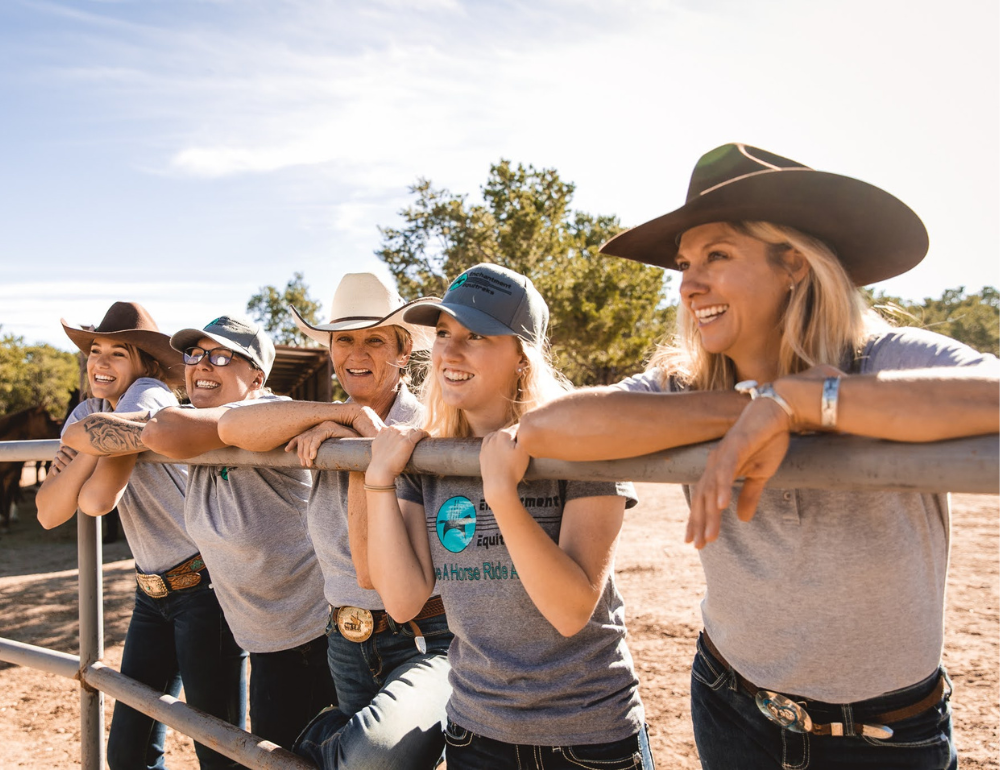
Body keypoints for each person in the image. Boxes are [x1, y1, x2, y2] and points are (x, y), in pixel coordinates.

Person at [516, 144, 1000, 770]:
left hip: (885, 734)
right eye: (685, 263)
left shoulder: (881, 358)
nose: (689, 283)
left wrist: (810, 404)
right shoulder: (684, 385)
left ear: (794, 265)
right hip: (733, 708)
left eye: (716, 255)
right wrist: (755, 408)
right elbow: (544, 429)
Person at [364, 263, 654, 770]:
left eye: (475, 335)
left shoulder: (580, 447)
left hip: (587, 737)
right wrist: (379, 482)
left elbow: (570, 611)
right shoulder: (427, 459)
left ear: (522, 356)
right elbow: (405, 599)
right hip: (478, 735)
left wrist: (502, 493)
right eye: (445, 333)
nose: (449, 353)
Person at [216, 273, 453, 769]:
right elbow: (231, 424)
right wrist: (341, 418)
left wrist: (360, 443)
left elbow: (372, 570)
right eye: (344, 340)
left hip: (415, 633)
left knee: (373, 755)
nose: (356, 353)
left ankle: (303, 747)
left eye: (374, 340)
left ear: (403, 351)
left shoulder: (424, 426)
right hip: (344, 637)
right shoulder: (327, 420)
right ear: (329, 352)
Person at [36, 301, 245, 770]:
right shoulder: (90, 410)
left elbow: (96, 501)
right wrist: (90, 442)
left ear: (144, 364)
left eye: (117, 353)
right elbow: (48, 512)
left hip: (204, 588)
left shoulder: (149, 395)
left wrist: (78, 453)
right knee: (129, 751)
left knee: (219, 747)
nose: (100, 363)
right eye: (95, 351)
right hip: (151, 591)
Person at [140, 314, 336, 750]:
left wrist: (344, 413)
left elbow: (166, 427)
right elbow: (159, 427)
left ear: (257, 378)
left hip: (315, 637)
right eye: (195, 354)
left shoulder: (270, 413)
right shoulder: (199, 425)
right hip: (268, 641)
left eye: (224, 356)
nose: (203, 364)